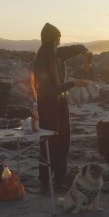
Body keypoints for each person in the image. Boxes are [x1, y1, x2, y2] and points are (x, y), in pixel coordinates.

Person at [31, 22, 90, 193]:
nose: (59, 45)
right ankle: (44, 180)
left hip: (61, 103)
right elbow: (48, 91)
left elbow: (78, 47)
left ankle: (60, 178)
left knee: (64, 140)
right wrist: (72, 83)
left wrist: (86, 52)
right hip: (48, 105)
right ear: (49, 43)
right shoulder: (40, 62)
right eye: (56, 42)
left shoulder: (58, 54)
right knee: (49, 143)